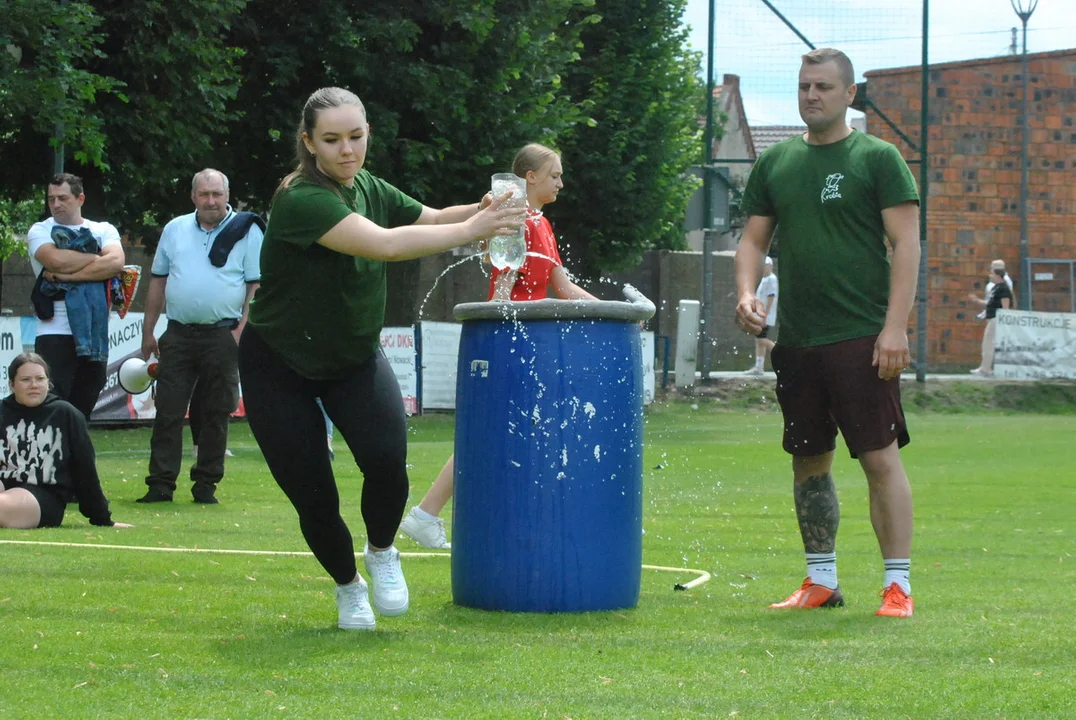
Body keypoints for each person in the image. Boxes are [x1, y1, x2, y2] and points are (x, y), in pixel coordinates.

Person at [236, 86, 525, 631]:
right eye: (332, 140)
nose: (347, 150)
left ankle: (382, 550)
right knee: (314, 493)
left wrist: (481, 210)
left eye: (356, 136)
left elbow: (434, 216)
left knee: (388, 463)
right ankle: (349, 588)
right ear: (309, 143)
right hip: (278, 363)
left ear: (368, 132)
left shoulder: (366, 184)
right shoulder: (301, 198)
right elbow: (385, 245)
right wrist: (474, 231)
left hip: (351, 357)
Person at [733, 48, 921, 618]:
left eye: (822, 86)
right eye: (803, 86)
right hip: (799, 342)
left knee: (878, 459)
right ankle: (820, 582)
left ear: (849, 95)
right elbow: (752, 242)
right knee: (808, 460)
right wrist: (745, 292)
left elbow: (907, 244)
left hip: (863, 338)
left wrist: (895, 328)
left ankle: (898, 587)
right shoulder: (777, 164)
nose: (811, 95)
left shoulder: (878, 158)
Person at [401, 142, 596, 549]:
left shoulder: (540, 223)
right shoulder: (516, 220)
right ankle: (426, 514)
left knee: (512, 432)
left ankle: (495, 519)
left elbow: (559, 287)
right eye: (555, 174)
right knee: (491, 432)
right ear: (530, 177)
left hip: (530, 337)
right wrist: (496, 331)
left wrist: (616, 311)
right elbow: (503, 283)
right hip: (514, 338)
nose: (561, 182)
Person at [137, 169, 263, 505]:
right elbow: (158, 281)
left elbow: (256, 286)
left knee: (215, 413)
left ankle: (206, 485)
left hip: (223, 334)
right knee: (167, 411)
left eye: (217, 194)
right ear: (193, 196)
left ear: (227, 194)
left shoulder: (247, 232)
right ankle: (160, 485)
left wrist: (240, 332)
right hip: (177, 333)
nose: (211, 201)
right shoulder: (175, 229)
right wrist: (149, 330)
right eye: (204, 194)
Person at [25, 173, 126, 420]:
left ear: (80, 198)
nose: (56, 205)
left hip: (94, 329)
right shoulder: (41, 230)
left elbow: (116, 263)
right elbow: (54, 259)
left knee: (86, 399)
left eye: (62, 198)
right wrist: (97, 260)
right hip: (53, 331)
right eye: (51, 199)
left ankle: (75, 455)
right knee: (52, 402)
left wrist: (67, 277)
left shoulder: (103, 229)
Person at [0, 353, 131, 529]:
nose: (34, 385)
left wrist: (102, 518)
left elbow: (85, 469)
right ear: (11, 385)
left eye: (40, 379)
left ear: (48, 383)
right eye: (25, 379)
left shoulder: (65, 414)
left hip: (43, 496)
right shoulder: (2, 411)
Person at [969, 266, 1013, 376]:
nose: (990, 276)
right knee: (986, 343)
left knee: (989, 343)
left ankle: (986, 368)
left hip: (995, 319)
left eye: (992, 274)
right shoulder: (995, 288)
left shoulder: (1003, 288)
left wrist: (1003, 321)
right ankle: (985, 367)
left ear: (998, 276)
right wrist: (977, 301)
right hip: (991, 318)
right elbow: (990, 303)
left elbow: (1005, 306)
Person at [745, 256, 778, 375]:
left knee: (761, 340)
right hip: (761, 315)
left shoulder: (771, 279)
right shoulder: (764, 280)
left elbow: (771, 297)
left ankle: (781, 354)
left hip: (765, 316)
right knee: (759, 339)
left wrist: (765, 315)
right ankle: (759, 366)